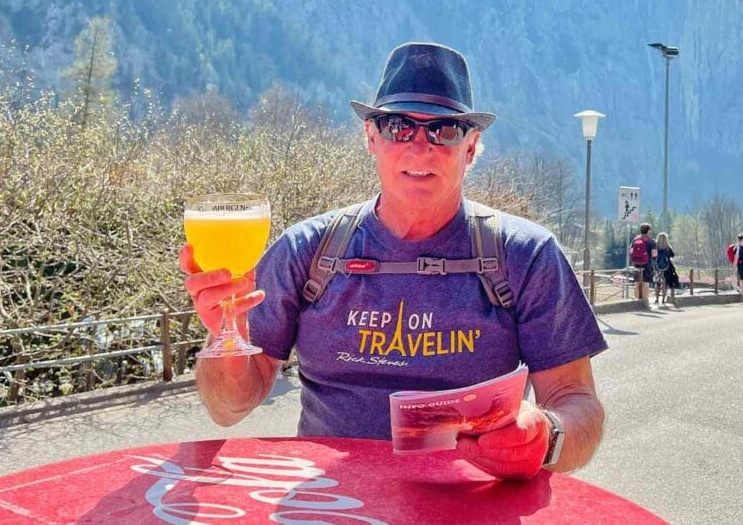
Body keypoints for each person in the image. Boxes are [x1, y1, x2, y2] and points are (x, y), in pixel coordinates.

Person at [179, 42, 608, 480]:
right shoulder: (306, 249)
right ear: (371, 137)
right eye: (399, 126)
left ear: (472, 147)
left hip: (470, 507)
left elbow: (577, 402)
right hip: (332, 505)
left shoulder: (525, 255)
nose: (419, 147)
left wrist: (547, 435)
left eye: (443, 130)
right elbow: (229, 408)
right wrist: (221, 334)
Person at [629, 222, 657, 302]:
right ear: (648, 231)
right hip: (647, 265)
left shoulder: (635, 239)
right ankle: (645, 302)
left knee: (637, 283)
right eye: (650, 230)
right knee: (645, 284)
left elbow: (631, 251)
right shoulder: (651, 241)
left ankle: (637, 301)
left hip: (636, 264)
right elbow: (654, 254)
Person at [654, 232, 679, 307]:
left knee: (657, 284)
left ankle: (657, 299)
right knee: (665, 284)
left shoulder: (655, 247)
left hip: (657, 268)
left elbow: (653, 256)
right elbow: (673, 255)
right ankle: (663, 300)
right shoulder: (668, 248)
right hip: (667, 269)